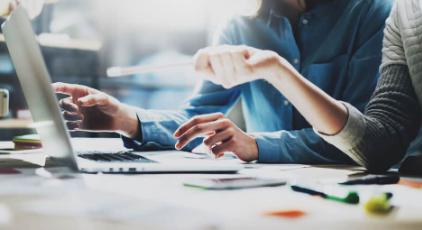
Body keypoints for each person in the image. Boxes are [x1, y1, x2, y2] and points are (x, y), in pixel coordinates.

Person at [54, 0, 392, 165]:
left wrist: (256, 145)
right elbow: (198, 117)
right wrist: (125, 120)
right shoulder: (240, 25)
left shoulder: (375, 12)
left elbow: (363, 137)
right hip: (272, 188)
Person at [181, 0, 422, 172]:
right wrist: (141, 124)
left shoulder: (375, 11)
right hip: (267, 184)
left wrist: (257, 144)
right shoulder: (405, 13)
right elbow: (379, 141)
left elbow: (372, 143)